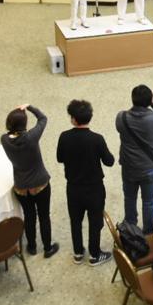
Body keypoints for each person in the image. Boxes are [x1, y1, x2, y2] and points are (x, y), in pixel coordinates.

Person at [56, 99, 116, 266]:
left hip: (73, 187)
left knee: (75, 221)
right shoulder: (97, 139)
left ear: (73, 119)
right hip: (94, 188)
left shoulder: (64, 137)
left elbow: (59, 158)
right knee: (95, 221)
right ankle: (95, 254)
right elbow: (109, 161)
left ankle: (78, 252)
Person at [0, 104, 59, 259]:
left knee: (29, 215)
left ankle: (31, 246)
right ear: (24, 124)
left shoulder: (4, 140)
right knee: (44, 216)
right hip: (40, 184)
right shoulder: (31, 137)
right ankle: (47, 247)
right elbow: (43, 119)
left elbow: (11, 134)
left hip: (21, 187)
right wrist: (30, 107)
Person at [116, 84, 153, 235]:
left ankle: (130, 228)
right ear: (149, 101)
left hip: (128, 167)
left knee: (129, 198)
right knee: (148, 202)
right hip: (149, 168)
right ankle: (148, 232)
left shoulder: (121, 117)